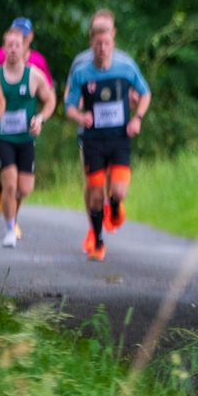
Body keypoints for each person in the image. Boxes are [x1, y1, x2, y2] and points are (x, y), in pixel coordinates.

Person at [65, 22, 151, 262]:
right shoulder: (82, 72)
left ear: (113, 43)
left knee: (119, 191)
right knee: (95, 193)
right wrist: (80, 116)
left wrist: (137, 118)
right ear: (91, 44)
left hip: (119, 139)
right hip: (93, 141)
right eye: (98, 44)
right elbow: (69, 106)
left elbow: (145, 93)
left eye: (106, 44)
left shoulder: (126, 68)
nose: (102, 48)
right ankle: (98, 241)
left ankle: (113, 206)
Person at [0, 26, 56, 247]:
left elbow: (50, 99)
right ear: (4, 48)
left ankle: (6, 199)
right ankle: (10, 229)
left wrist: (40, 119)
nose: (13, 49)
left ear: (25, 48)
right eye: (9, 45)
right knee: (10, 183)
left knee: (24, 188)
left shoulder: (33, 75)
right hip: (3, 137)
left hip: (26, 139)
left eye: (18, 45)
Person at [0, 17, 53, 84]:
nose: (20, 38)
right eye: (16, 34)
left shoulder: (39, 61)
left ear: (31, 35)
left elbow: (49, 88)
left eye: (24, 35)